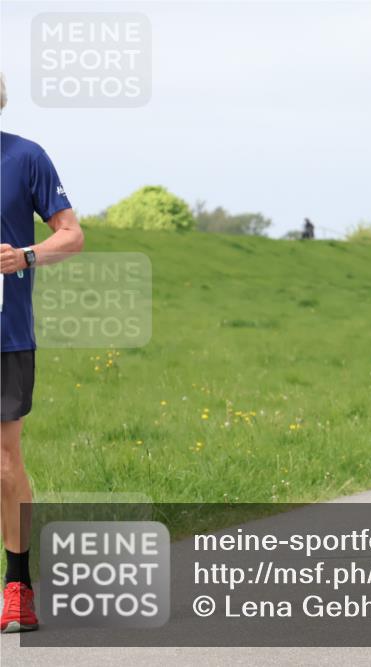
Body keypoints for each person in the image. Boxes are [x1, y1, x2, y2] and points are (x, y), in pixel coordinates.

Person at [1, 72, 85, 632]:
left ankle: (17, 587)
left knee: (5, 463)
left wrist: (26, 256)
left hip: (5, 334)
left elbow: (71, 235)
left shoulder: (26, 157)